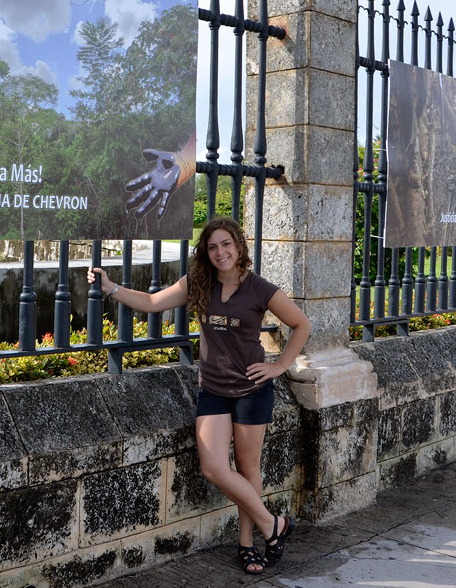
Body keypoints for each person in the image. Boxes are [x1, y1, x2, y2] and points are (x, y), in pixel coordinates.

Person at [89, 217, 311, 574]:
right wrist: (111, 287)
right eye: (212, 247)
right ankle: (274, 526)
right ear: (205, 253)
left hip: (252, 390)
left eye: (226, 244)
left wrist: (280, 365)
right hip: (213, 389)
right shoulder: (198, 283)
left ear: (239, 247)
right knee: (213, 468)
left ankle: (247, 542)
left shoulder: (260, 289)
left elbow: (302, 324)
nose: (220, 252)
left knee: (247, 467)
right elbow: (151, 302)